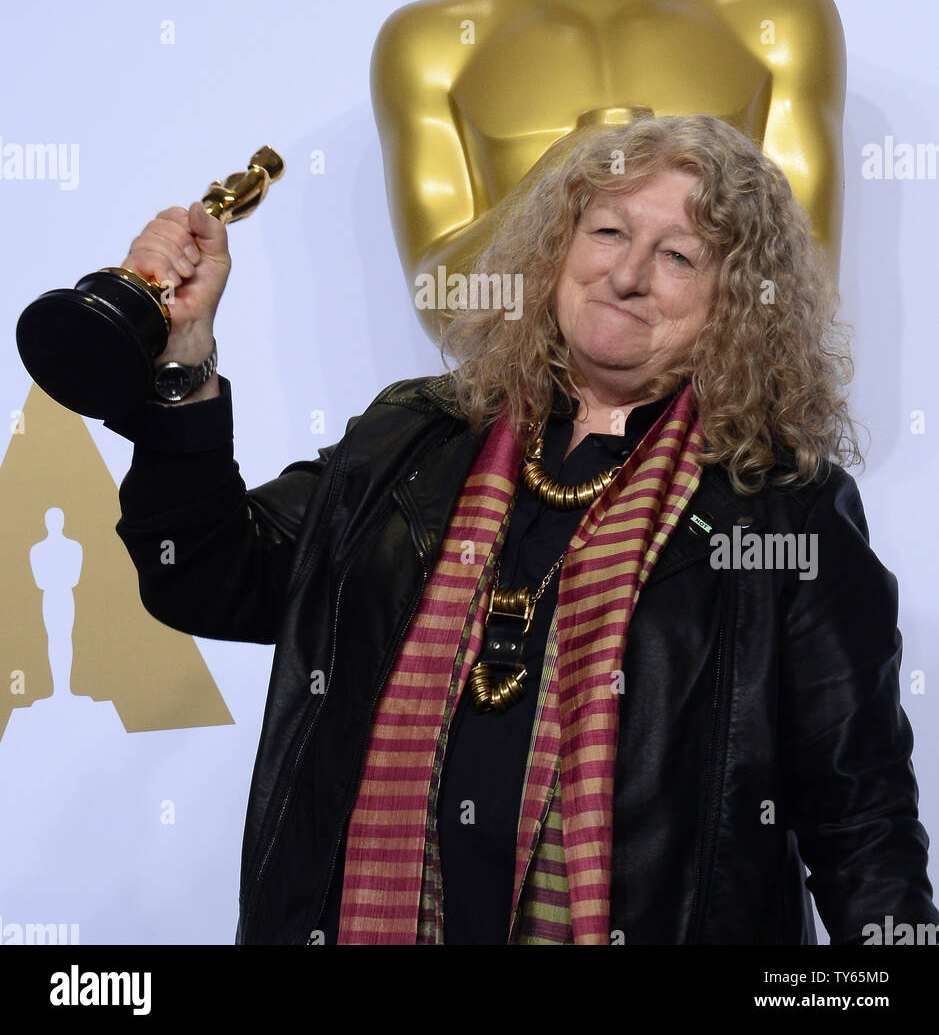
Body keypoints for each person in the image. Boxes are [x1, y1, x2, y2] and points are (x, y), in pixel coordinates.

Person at [106, 114, 937, 945]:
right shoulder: (413, 440)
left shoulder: (784, 510)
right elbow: (209, 576)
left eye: (679, 256)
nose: (626, 273)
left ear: (736, 302)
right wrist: (181, 366)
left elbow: (860, 824)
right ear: (555, 249)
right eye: (607, 231)